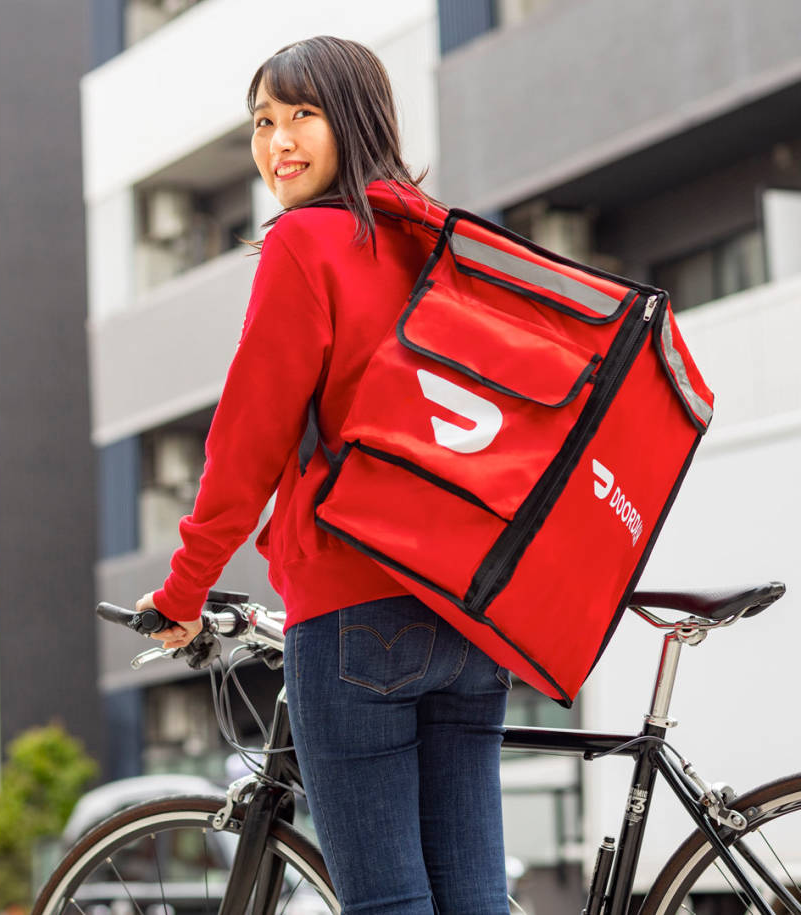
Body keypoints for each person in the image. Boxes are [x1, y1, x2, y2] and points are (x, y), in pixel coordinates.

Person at [135, 35, 511, 915]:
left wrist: (186, 589)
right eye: (262, 121)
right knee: (474, 898)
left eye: (302, 113)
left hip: (355, 610)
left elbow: (248, 441)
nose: (278, 141)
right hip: (472, 607)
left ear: (354, 117)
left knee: (387, 902)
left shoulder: (306, 243)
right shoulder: (442, 237)